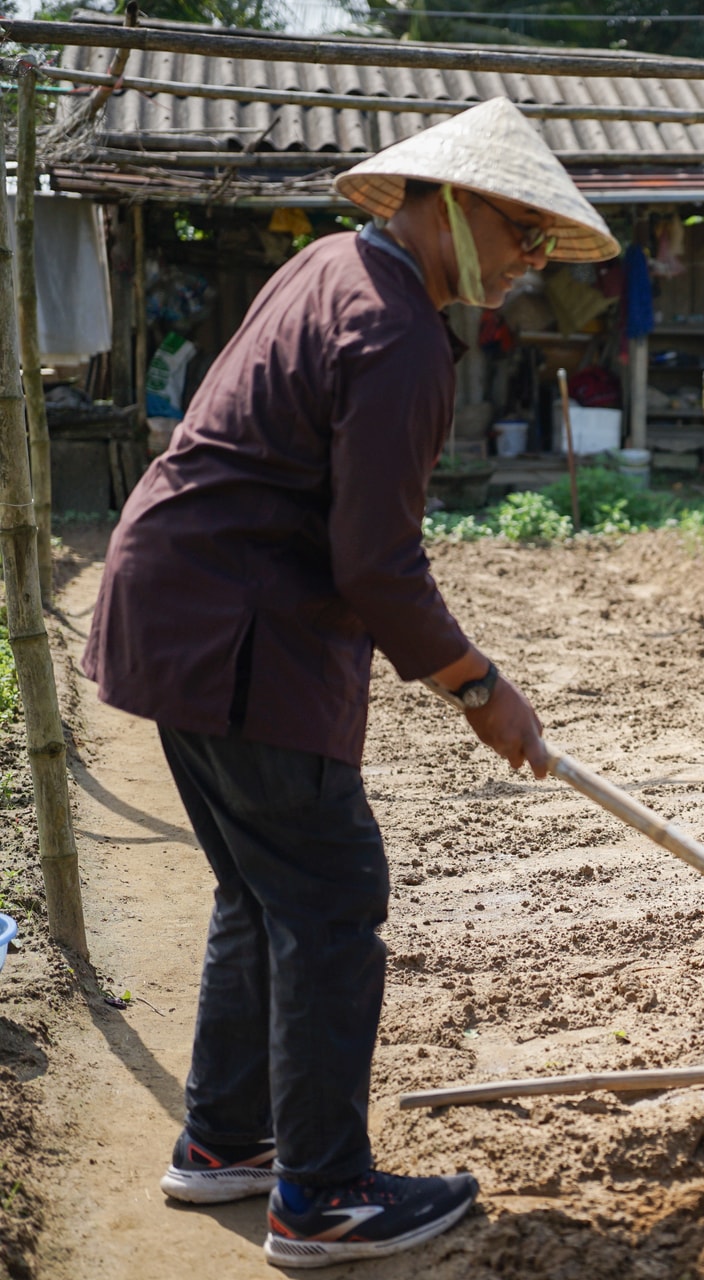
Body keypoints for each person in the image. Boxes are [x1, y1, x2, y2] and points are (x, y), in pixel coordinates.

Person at [81, 98, 618, 1267]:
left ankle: (227, 1141)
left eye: (540, 243)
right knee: (329, 895)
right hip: (235, 630)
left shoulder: (331, 264)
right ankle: (321, 1194)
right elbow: (375, 561)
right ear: (454, 205)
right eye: (525, 233)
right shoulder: (399, 334)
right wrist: (482, 689)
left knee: (261, 888)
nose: (532, 262)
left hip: (182, 604)